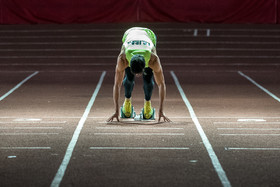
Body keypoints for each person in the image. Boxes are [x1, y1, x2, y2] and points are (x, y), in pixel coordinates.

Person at [107, 27, 170, 122]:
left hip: (149, 35)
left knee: (148, 78)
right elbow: (117, 84)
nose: (138, 75)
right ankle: (127, 103)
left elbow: (161, 84)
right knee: (129, 77)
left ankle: (147, 105)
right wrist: (116, 111)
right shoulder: (123, 58)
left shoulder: (153, 59)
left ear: (145, 65)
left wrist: (161, 111)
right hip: (129, 33)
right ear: (128, 63)